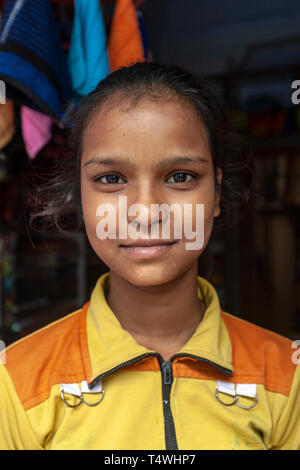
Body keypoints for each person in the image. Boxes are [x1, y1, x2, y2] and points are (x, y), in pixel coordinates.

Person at [0, 62, 299, 450]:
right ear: (81, 195)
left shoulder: (285, 376)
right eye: (111, 179)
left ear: (217, 195)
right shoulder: (17, 381)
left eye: (180, 176)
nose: (145, 211)